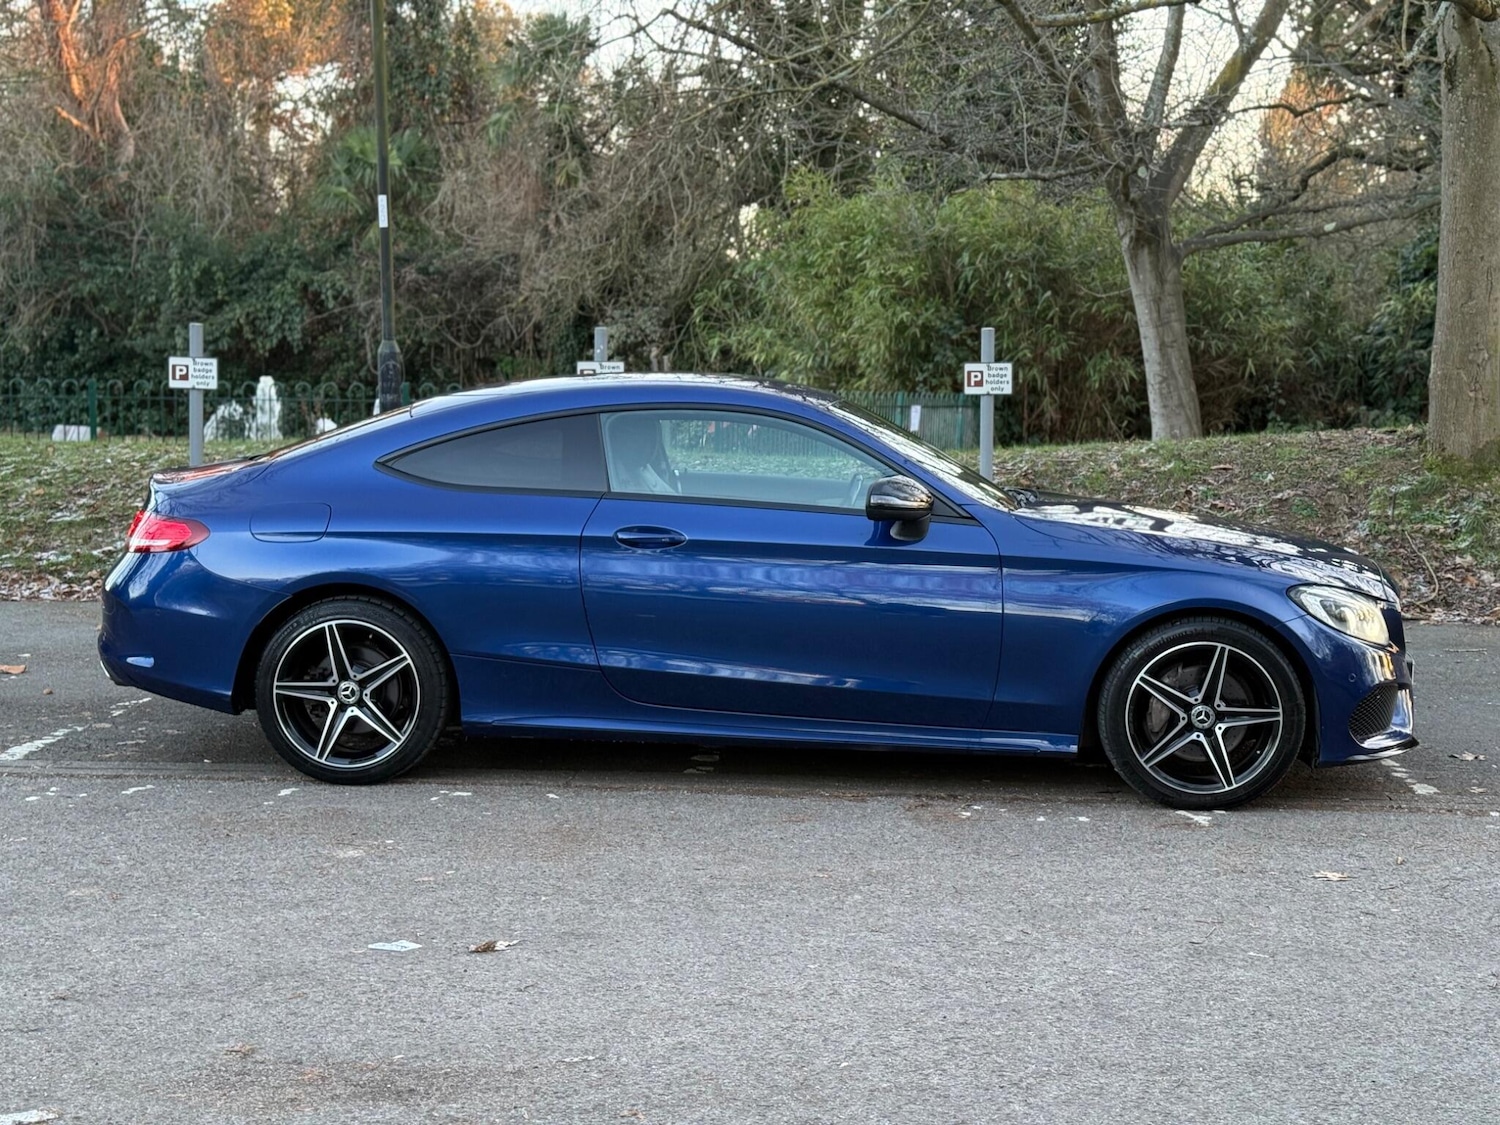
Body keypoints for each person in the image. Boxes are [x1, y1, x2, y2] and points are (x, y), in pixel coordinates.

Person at [607, 414, 679, 494]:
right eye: (640, 440)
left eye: (651, 440)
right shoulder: (610, 474)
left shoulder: (645, 469)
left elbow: (670, 495)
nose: (650, 448)